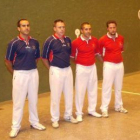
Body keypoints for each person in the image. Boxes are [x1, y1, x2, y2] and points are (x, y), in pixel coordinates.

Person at [5, 19, 46, 138]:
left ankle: (34, 122)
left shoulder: (35, 42)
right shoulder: (13, 43)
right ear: (19, 28)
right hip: (20, 74)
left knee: (34, 99)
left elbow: (37, 58)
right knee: (18, 102)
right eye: (23, 26)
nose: (26, 28)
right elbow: (7, 61)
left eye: (28, 25)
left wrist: (30, 68)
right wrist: (16, 72)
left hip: (33, 73)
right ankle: (15, 127)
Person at [42, 19, 78, 128]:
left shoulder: (68, 39)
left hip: (67, 70)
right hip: (55, 70)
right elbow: (44, 58)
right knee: (55, 95)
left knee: (69, 94)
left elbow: (70, 55)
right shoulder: (49, 41)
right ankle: (55, 119)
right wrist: (51, 69)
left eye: (63, 27)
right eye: (59, 27)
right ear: (54, 28)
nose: (62, 29)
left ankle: (68, 115)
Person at [71, 22, 102, 122]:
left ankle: (92, 110)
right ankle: (79, 113)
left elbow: (96, 53)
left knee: (93, 89)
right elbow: (72, 57)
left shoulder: (95, 40)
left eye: (89, 29)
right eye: (86, 29)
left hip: (92, 67)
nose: (88, 31)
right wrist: (80, 63)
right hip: (81, 68)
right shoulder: (75, 42)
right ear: (81, 30)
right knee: (80, 91)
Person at [99, 20, 128, 118]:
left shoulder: (121, 38)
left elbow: (121, 51)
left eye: (114, 27)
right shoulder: (102, 39)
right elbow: (99, 54)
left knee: (119, 86)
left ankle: (118, 106)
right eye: (110, 27)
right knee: (107, 87)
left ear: (116, 27)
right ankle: (104, 108)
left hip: (120, 64)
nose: (112, 29)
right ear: (107, 28)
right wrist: (107, 62)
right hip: (109, 65)